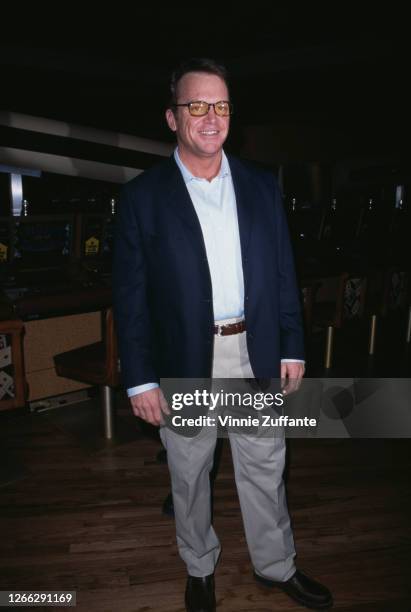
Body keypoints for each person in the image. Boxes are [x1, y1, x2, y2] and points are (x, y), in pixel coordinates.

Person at [113, 58, 333, 612]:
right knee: (189, 473)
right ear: (172, 116)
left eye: (221, 105)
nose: (210, 117)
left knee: (266, 463)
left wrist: (292, 344)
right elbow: (131, 298)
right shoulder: (142, 197)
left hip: (254, 347)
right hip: (185, 355)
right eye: (196, 105)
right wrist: (139, 378)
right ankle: (199, 567)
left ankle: (276, 564)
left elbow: (284, 272)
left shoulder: (261, 185)